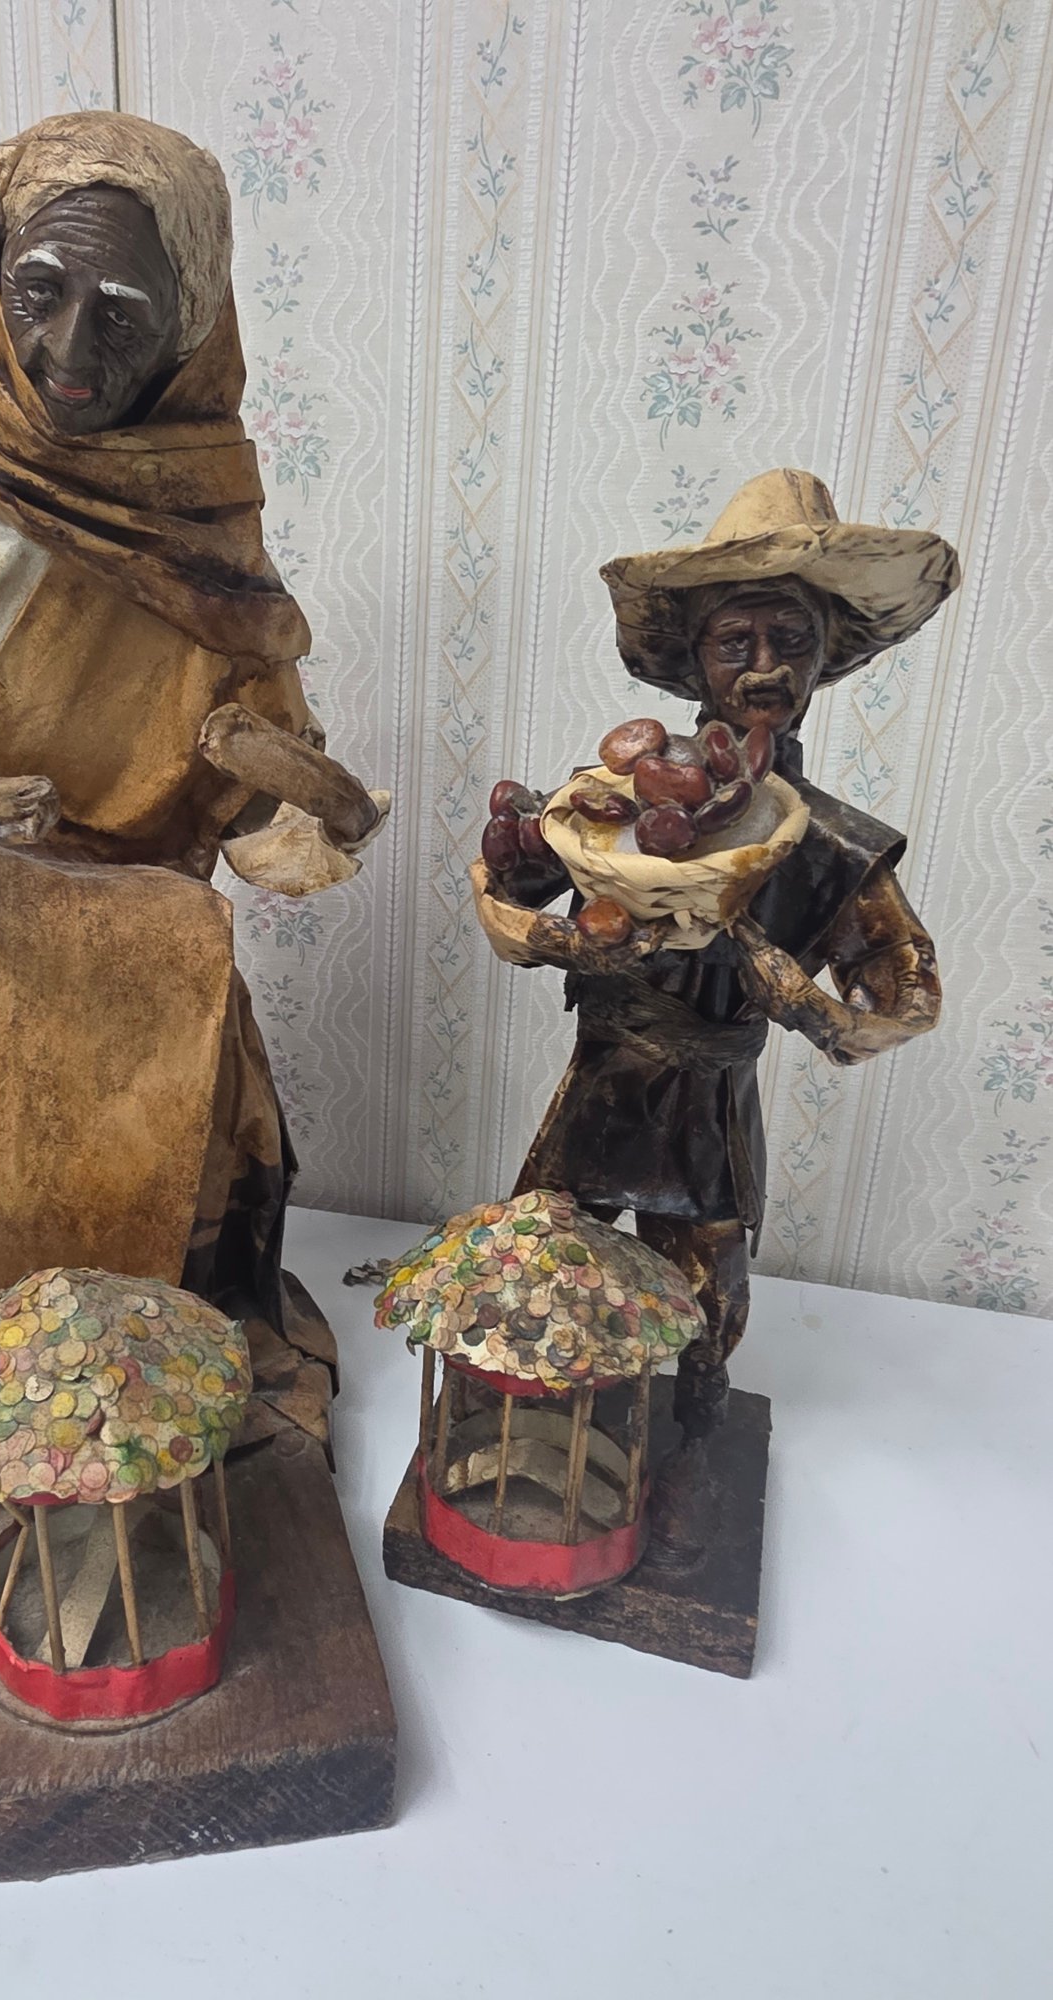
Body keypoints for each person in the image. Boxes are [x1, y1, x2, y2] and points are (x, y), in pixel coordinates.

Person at [0, 113, 384, 1513]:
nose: (67, 350)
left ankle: (164, 1434)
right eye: (40, 289)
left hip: (147, 947)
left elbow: (260, 816)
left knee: (202, 1210)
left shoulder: (207, 519)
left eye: (124, 312)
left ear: (191, 323)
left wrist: (322, 819)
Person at [473, 468, 957, 1544]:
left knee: (706, 1303)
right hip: (601, 1088)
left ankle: (688, 1452)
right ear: (696, 657)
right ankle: (526, 1427)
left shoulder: (832, 844)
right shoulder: (617, 805)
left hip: (711, 1109)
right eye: (738, 640)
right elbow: (518, 891)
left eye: (792, 639)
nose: (765, 666)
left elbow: (902, 987)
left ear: (827, 656)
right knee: (533, 1263)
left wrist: (816, 1006)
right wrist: (526, 896)